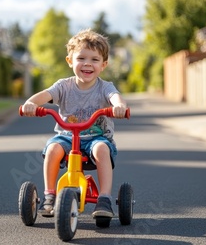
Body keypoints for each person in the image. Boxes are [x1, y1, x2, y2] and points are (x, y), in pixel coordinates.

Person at [21, 28, 127, 219]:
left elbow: (115, 97)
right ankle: (49, 196)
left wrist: (119, 106)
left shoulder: (105, 87)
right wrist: (31, 103)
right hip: (67, 136)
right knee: (53, 148)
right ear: (70, 61)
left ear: (103, 65)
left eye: (94, 60)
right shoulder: (64, 86)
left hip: (97, 137)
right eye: (81, 58)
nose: (87, 64)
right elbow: (45, 95)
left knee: (102, 149)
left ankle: (104, 199)